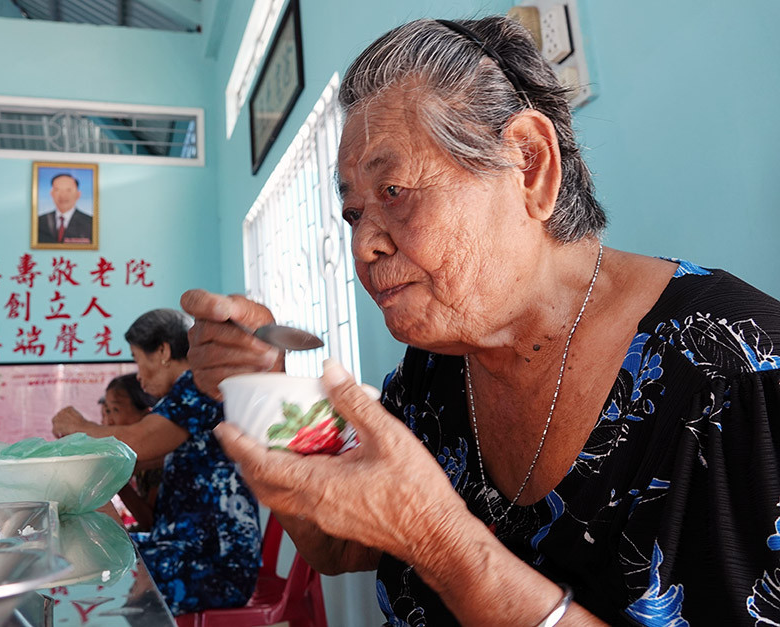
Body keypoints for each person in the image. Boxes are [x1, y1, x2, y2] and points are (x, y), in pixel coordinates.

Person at [180, 16, 780, 626]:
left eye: (393, 191)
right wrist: (270, 392)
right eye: (353, 212)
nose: (364, 246)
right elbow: (341, 544)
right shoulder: (435, 369)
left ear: (528, 162)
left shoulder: (738, 372)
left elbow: (423, 533)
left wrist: (443, 544)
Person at [51, 309, 261, 615]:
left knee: (102, 565)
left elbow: (138, 441)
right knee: (95, 552)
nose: (138, 373)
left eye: (137, 358)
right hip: (191, 550)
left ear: (162, 351)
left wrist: (78, 426)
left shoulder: (197, 387)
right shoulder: (184, 396)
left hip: (215, 565)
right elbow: (140, 456)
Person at [99, 373, 162, 531]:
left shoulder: (159, 458)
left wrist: (116, 479)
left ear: (146, 415)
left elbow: (150, 522)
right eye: (107, 411)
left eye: (115, 410)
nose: (109, 421)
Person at [37, 172, 93, 244]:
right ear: (51, 193)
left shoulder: (90, 223)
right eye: (57, 190)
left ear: (78, 194)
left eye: (68, 190)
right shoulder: (39, 221)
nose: (63, 195)